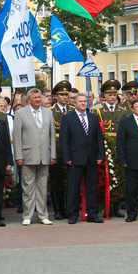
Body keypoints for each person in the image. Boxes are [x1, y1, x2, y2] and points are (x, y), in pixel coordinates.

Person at [13, 88, 56, 226]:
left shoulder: (48, 112)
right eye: (35, 97)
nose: (38, 99)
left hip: (45, 155)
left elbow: (52, 136)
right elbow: (17, 136)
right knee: (28, 187)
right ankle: (28, 215)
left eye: (39, 97)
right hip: (27, 155)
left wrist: (53, 154)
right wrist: (19, 155)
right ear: (29, 100)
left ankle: (43, 215)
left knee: (43, 187)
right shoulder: (20, 113)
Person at [60, 93, 104, 224]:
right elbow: (64, 139)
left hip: (91, 158)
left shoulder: (93, 117)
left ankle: (92, 214)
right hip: (75, 158)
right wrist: (67, 157)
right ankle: (73, 215)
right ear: (74, 103)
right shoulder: (68, 118)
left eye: (85, 101)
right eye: (80, 101)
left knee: (92, 187)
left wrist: (100, 155)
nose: (84, 103)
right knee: (73, 188)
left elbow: (99, 138)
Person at [49, 80, 73, 219]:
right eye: (62, 94)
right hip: (57, 150)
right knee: (56, 181)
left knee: (69, 181)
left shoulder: (73, 109)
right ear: (56, 96)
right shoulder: (50, 112)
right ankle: (58, 209)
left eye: (66, 94)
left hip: (71, 149)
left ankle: (69, 208)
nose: (65, 97)